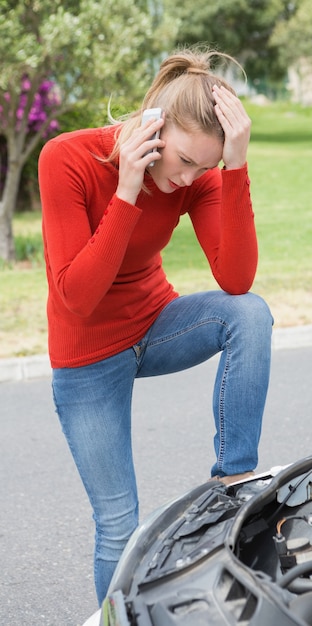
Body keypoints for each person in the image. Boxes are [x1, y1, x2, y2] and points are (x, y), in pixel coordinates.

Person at [38, 46, 273, 605]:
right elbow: (77, 296)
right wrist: (126, 190)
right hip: (87, 352)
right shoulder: (65, 159)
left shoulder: (198, 175)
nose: (188, 177)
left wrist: (234, 166)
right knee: (120, 525)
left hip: (157, 325)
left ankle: (232, 485)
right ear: (154, 127)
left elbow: (236, 279)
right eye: (184, 160)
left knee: (249, 314)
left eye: (205, 166)